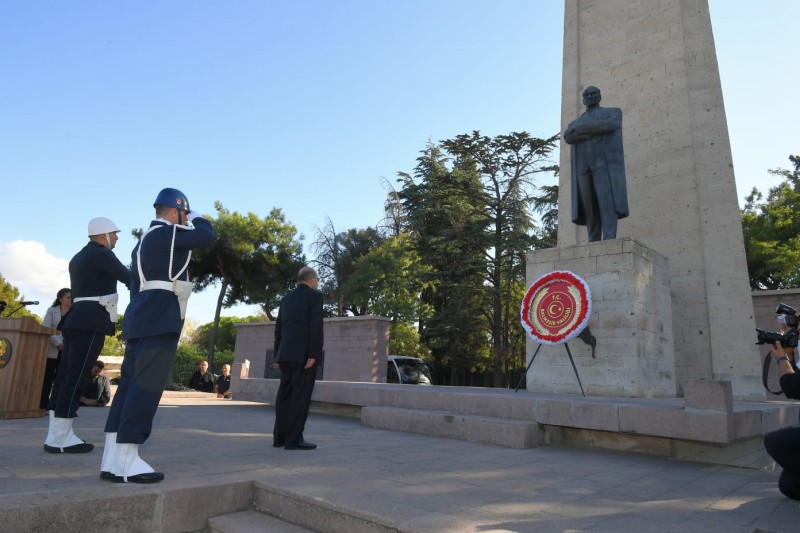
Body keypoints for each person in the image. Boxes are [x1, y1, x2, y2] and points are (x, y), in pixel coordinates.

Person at [101, 188, 214, 483]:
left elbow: (134, 286)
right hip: (160, 319)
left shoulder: (142, 242)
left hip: (140, 318)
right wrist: (197, 216)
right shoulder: (167, 233)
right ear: (176, 211)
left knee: (128, 388)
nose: (185, 219)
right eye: (183, 214)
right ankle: (128, 461)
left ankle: (112, 460)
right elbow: (206, 235)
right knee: (145, 388)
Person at [44, 218, 129, 454]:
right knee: (78, 375)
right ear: (103, 235)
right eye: (114, 233)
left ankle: (54, 434)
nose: (117, 237)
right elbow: (128, 277)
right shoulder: (102, 254)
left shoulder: (78, 256)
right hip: (91, 321)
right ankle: (62, 438)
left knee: (65, 375)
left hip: (75, 320)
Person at [563, 85, 629, 242]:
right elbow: (568, 137)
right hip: (583, 168)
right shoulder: (575, 122)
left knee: (607, 202)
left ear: (599, 97)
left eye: (594, 94)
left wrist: (580, 129)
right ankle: (593, 238)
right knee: (589, 206)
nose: (591, 97)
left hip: (602, 165)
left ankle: (609, 236)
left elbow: (609, 126)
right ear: (583, 100)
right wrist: (593, 130)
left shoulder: (612, 112)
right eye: (587, 95)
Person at [272, 266, 324, 450]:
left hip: (285, 354)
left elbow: (279, 327)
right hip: (303, 356)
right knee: (300, 397)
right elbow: (316, 326)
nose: (316, 284)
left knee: (284, 395)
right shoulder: (315, 296)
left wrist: (277, 354)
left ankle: (279, 438)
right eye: (316, 281)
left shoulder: (286, 299)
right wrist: (314, 354)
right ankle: (293, 439)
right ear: (311, 279)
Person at [39, 288, 71, 409]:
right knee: (47, 377)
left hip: (69, 348)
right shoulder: (52, 310)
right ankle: (43, 405)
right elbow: (45, 329)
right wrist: (58, 343)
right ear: (60, 299)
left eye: (72, 297)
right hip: (52, 348)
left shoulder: (75, 311)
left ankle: (56, 405)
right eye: (68, 297)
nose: (71, 299)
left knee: (62, 378)